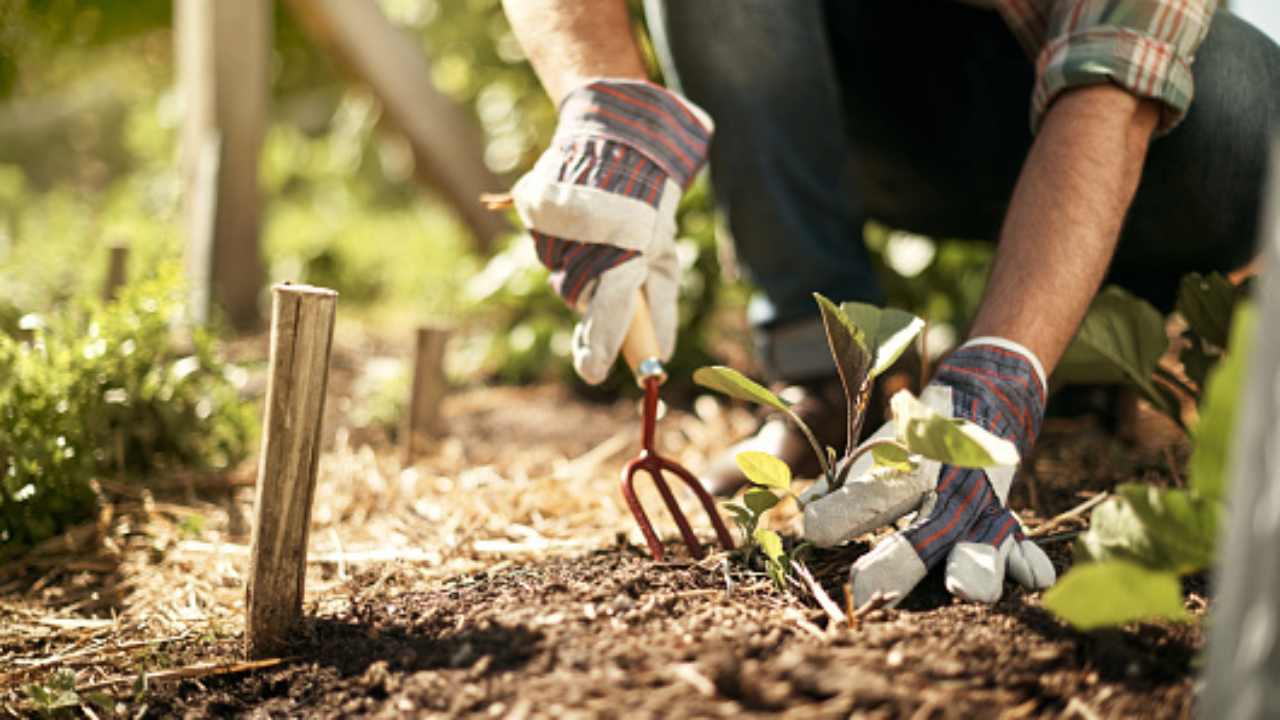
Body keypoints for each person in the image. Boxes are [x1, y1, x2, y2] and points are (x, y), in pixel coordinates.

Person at [499, 0, 1278, 607]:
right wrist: (600, 101)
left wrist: (998, 376)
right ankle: (825, 370)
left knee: (1248, 108)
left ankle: (1083, 343)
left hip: (1092, 104)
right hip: (849, 99)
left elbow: (1116, 86)